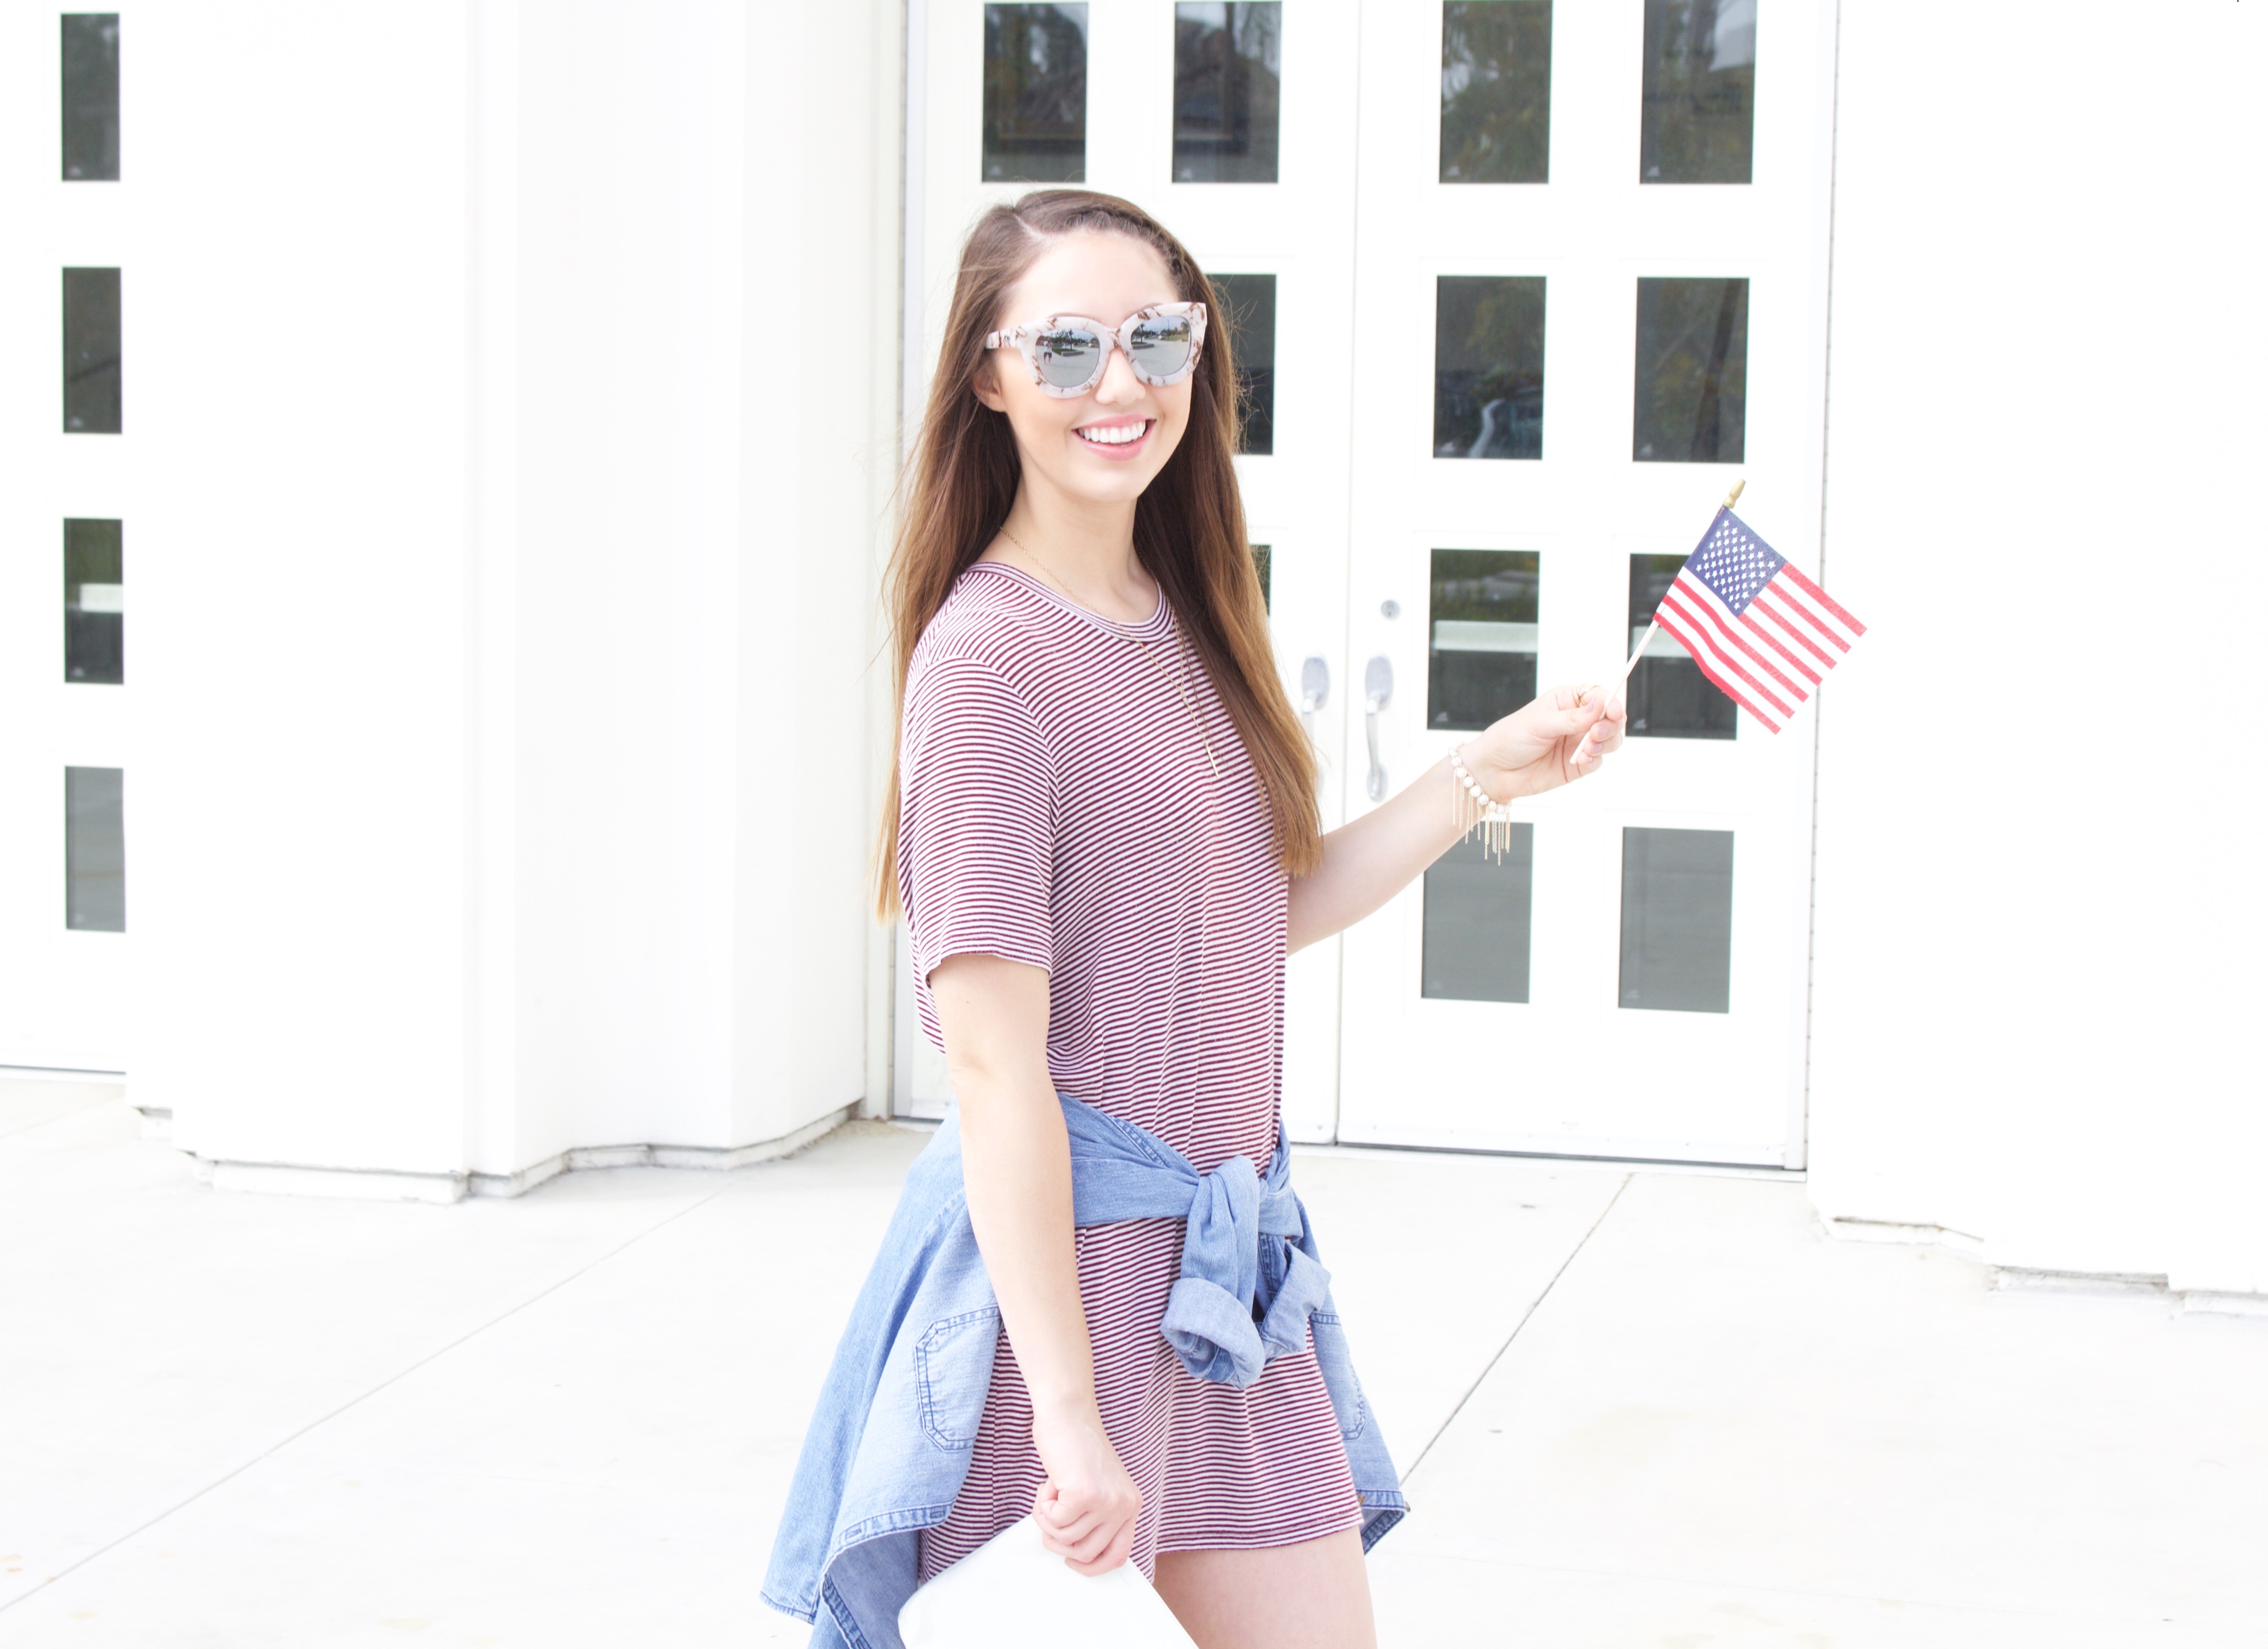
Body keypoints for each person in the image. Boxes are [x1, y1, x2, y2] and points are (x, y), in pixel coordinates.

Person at [763, 189, 1626, 1649]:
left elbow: (1243, 916)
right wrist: (1063, 1414)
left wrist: (1478, 776)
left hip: (1229, 1296)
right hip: (1072, 1300)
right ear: (986, 374)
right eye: (1067, 346)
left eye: (1156, 336)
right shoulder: (987, 663)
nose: (1121, 383)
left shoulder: (1184, 618)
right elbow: (992, 1069)